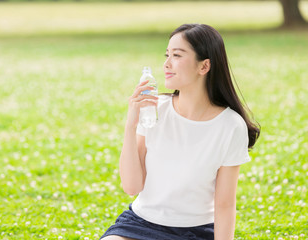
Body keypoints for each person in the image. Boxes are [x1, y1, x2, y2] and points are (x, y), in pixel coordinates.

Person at [100, 23, 260, 240]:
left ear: (204, 66)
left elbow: (224, 205)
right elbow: (131, 186)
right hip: (140, 224)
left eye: (177, 55)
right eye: (167, 55)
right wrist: (131, 125)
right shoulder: (155, 109)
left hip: (196, 231)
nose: (166, 64)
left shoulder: (230, 126)